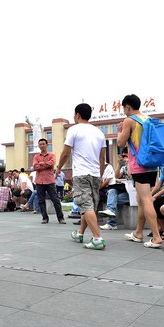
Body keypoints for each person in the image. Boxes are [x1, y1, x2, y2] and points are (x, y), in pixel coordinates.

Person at [117, 94, 164, 248]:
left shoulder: (129, 120)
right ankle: (138, 232)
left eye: (124, 108)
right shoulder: (147, 119)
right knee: (141, 199)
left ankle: (157, 237)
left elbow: (120, 142)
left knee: (146, 199)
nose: (124, 111)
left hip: (139, 165)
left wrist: (120, 131)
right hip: (152, 164)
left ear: (128, 107)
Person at [56, 104, 106, 249]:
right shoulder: (99, 132)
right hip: (95, 174)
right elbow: (102, 157)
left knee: (85, 205)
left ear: (77, 115)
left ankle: (97, 238)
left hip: (81, 174)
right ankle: (80, 233)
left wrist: (59, 168)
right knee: (88, 205)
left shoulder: (74, 130)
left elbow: (65, 153)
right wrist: (100, 174)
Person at [33, 139, 66, 224]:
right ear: (39, 146)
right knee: (41, 201)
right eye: (40, 144)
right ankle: (44, 217)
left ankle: (60, 218)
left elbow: (52, 163)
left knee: (56, 200)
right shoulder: (36, 156)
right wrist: (45, 164)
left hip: (50, 181)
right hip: (39, 181)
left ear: (47, 145)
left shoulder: (52, 155)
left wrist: (41, 163)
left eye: (43, 144)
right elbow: (35, 167)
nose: (42, 146)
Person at [99, 150, 131, 230]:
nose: (124, 158)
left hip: (133, 193)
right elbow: (116, 176)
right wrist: (119, 164)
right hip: (124, 190)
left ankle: (112, 223)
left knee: (113, 200)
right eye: (123, 156)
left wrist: (129, 164)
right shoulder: (123, 168)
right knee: (111, 191)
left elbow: (131, 176)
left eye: (125, 156)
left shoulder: (134, 166)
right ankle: (111, 216)